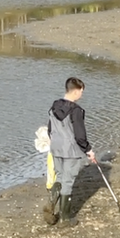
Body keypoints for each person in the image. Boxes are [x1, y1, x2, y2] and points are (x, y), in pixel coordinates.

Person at [45, 77, 97, 228]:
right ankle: (65, 218)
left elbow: (50, 129)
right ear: (75, 91)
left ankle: (52, 202)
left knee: (60, 177)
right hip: (71, 151)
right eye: (81, 92)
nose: (81, 95)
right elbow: (80, 136)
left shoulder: (54, 106)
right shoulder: (76, 111)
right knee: (68, 181)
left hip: (56, 148)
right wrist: (89, 150)